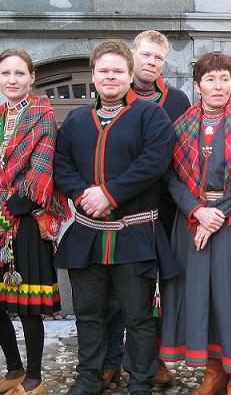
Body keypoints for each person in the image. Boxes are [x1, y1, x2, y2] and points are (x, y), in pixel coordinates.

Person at [54, 40, 178, 395]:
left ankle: (140, 381)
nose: (110, 76)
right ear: (93, 75)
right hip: (88, 235)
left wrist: (110, 193)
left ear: (129, 75)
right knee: (89, 314)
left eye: (117, 71)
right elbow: (61, 165)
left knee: (139, 317)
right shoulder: (77, 120)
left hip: (135, 234)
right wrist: (83, 194)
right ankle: (89, 376)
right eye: (103, 70)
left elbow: (154, 162)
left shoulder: (151, 116)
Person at [159, 52, 231, 395]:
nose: (219, 86)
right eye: (210, 79)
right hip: (192, 219)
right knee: (200, 295)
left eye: (225, 79)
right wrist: (197, 211)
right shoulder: (180, 125)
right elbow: (171, 177)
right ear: (197, 86)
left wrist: (215, 216)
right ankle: (213, 371)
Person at [0, 49, 70, 395]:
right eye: (5, 73)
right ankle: (13, 370)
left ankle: (34, 378)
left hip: (25, 223)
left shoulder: (44, 118)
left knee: (27, 307)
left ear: (32, 78)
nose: (12, 80)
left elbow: (39, 179)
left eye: (19, 73)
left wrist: (2, 216)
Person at [101, 30, 191, 388]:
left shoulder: (178, 102)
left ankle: (152, 358)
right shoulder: (111, 95)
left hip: (163, 209)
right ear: (131, 55)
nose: (151, 62)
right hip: (118, 208)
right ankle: (109, 358)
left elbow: (183, 155)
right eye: (146, 55)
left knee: (152, 290)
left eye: (158, 58)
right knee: (112, 292)